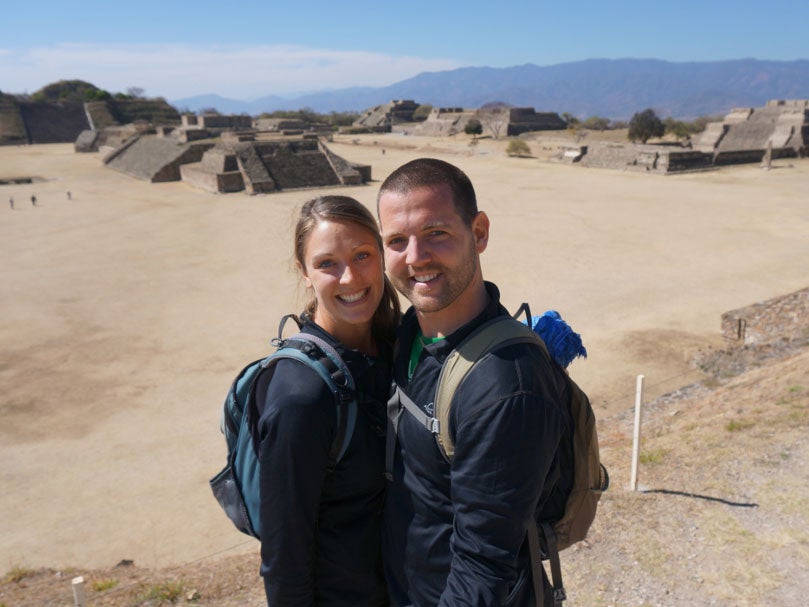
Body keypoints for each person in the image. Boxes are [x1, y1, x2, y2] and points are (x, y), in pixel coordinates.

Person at [377, 158, 573, 607]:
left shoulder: (506, 384)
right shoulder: (411, 332)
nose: (415, 257)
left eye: (437, 233)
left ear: (479, 233)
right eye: (396, 241)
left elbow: (482, 568)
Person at [257, 195, 400, 606]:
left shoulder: (398, 346)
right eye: (327, 264)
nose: (350, 278)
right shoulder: (301, 397)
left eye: (362, 255)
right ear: (303, 272)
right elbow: (284, 554)